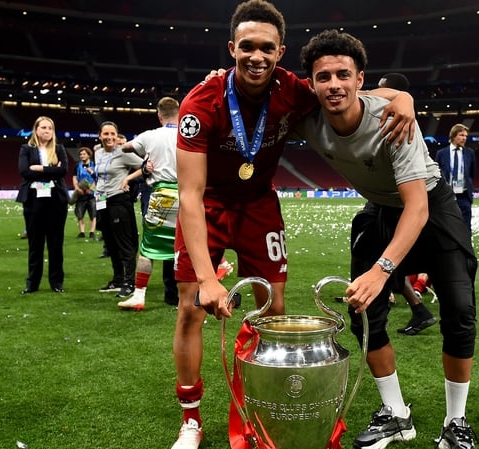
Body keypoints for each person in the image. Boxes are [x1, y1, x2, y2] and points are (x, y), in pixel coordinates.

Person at [170, 2, 415, 448]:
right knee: (191, 308)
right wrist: (207, 278)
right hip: (208, 204)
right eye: (247, 47)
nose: (256, 56)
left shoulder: (294, 90)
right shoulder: (199, 104)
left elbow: (357, 92)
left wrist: (404, 98)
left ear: (280, 51)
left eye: (267, 48)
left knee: (273, 310)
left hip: (260, 205)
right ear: (232, 48)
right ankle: (190, 419)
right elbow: (189, 194)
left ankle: (259, 407)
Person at [296, 29, 479, 449]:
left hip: (430, 203)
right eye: (324, 77)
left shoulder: (394, 119)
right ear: (311, 84)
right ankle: (396, 415)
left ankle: (456, 421)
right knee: (363, 312)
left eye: (344, 75)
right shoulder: (306, 115)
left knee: (459, 310)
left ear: (360, 79)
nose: (334, 85)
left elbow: (417, 209)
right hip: (379, 207)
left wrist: (382, 271)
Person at [376, 72, 436, 336]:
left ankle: (409, 307)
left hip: (400, 201)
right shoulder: (403, 116)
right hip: (399, 198)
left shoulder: (398, 120)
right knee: (389, 259)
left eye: (381, 89)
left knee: (389, 259)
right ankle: (416, 308)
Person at [116, 97, 181, 310]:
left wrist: (145, 154)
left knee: (147, 249)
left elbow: (125, 147)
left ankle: (139, 295)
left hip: (161, 195)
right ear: (179, 113)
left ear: (159, 115)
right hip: (187, 195)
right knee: (187, 246)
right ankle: (190, 294)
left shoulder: (150, 135)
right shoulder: (187, 133)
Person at [16, 116, 69, 294]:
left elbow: (63, 171)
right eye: (43, 127)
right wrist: (52, 171)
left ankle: (56, 282)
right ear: (36, 129)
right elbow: (24, 171)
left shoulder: (59, 149)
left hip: (56, 200)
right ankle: (32, 283)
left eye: (50, 128)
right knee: (35, 244)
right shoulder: (26, 149)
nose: (47, 131)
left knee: (56, 244)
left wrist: (40, 168)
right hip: (33, 199)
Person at [94, 121, 142, 298]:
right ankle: (118, 279)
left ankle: (129, 282)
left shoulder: (123, 152)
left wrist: (128, 178)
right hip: (102, 202)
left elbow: (146, 166)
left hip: (119, 201)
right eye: (106, 134)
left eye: (112, 134)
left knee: (125, 244)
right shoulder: (97, 153)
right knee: (110, 244)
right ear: (100, 136)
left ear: (117, 135)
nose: (109, 137)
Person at [435, 124, 476, 236]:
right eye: (461, 135)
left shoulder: (470, 153)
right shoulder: (441, 153)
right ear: (453, 136)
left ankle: (466, 246)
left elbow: (472, 173)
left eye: (466, 136)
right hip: (447, 196)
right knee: (446, 225)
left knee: (466, 227)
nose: (464, 138)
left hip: (464, 196)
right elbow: (437, 174)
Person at [71, 146, 97, 239]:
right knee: (80, 213)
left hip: (91, 193)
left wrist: (91, 189)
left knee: (93, 213)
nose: (82, 156)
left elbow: (97, 178)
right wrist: (77, 188)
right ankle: (81, 232)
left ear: (89, 155)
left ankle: (91, 232)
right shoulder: (77, 166)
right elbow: (74, 178)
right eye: (80, 154)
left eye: (84, 154)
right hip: (80, 192)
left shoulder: (94, 165)